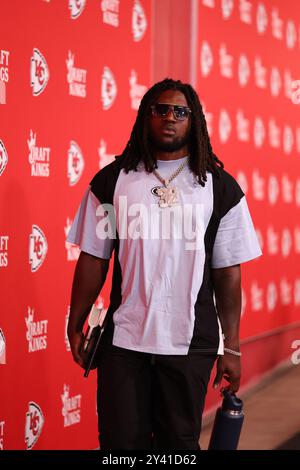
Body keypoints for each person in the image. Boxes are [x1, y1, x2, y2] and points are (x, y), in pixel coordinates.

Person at [67, 78, 262, 450]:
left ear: (194, 120)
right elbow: (94, 256)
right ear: (146, 115)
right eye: (160, 109)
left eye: (180, 111)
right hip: (124, 342)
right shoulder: (111, 181)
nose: (170, 117)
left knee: (179, 446)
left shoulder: (219, 188)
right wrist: (75, 322)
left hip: (191, 344)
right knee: (120, 446)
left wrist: (232, 347)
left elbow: (227, 273)